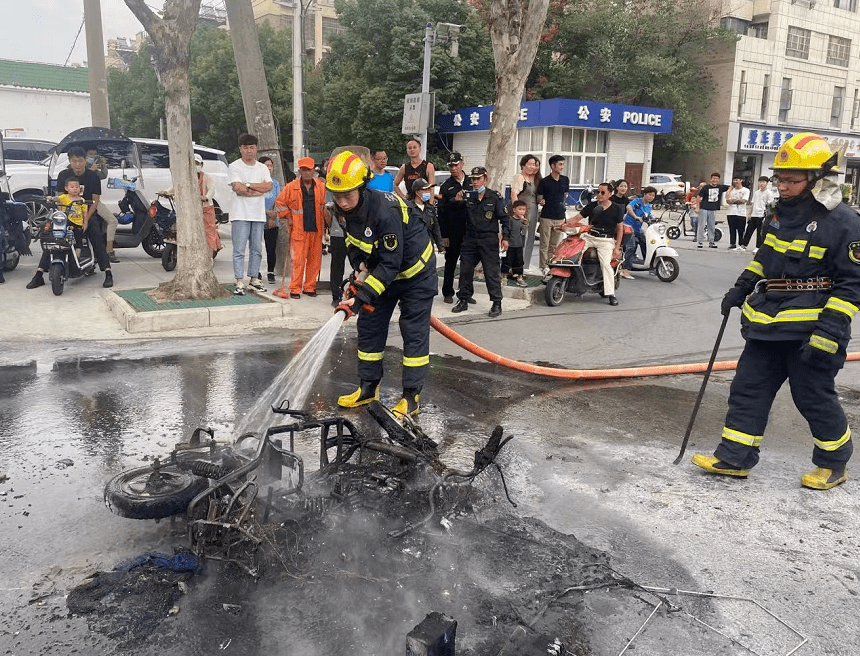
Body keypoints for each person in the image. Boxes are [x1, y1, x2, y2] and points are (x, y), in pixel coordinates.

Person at [693, 133, 860, 490]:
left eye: (791, 180)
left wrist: (829, 332)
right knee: (747, 389)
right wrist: (740, 287)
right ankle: (734, 457)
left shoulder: (844, 222)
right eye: (780, 179)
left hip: (812, 330)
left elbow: (851, 284)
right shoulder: (777, 217)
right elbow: (763, 261)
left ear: (817, 179)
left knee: (813, 397)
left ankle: (834, 463)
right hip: (767, 324)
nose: (782, 187)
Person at [326, 148, 438, 418]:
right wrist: (359, 269)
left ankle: (411, 398)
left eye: (347, 195)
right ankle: (368, 389)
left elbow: (392, 263)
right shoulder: (344, 211)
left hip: (415, 274)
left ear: (362, 187)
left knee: (412, 332)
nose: (341, 202)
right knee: (370, 327)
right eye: (336, 195)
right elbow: (353, 244)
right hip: (382, 272)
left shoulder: (385, 210)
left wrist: (361, 297)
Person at [451, 166, 510, 318]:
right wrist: (456, 201)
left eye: (478, 179)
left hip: (488, 239)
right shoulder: (467, 196)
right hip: (470, 239)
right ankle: (463, 299)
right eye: (473, 179)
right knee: (465, 270)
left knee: (491, 273)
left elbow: (504, 219)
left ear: (485, 179)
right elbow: (453, 214)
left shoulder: (494, 197)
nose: (475, 182)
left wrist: (506, 238)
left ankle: (497, 303)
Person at [51, 146, 113, 288]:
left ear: (85, 161)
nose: (77, 164)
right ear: (70, 162)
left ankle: (107, 271)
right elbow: (60, 199)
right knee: (54, 235)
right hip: (68, 215)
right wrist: (65, 216)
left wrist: (86, 219)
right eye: (74, 161)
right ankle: (40, 272)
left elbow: (95, 201)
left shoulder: (93, 177)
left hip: (87, 214)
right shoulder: (63, 175)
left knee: (96, 235)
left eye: (80, 161)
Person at [559, 182, 624, 306]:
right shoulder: (592, 206)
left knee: (605, 264)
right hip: (589, 236)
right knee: (571, 251)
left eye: (602, 192)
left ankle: (611, 294)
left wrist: (616, 247)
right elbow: (577, 218)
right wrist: (564, 223)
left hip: (606, 240)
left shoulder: (617, 208)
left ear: (610, 194)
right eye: (597, 192)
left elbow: (620, 228)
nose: (599, 194)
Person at [275, 156, 326, 299]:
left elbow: (325, 208)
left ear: (313, 170)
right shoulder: (291, 187)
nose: (306, 173)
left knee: (314, 261)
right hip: (299, 230)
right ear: (299, 171)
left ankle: (310, 287)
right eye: (303, 170)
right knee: (298, 261)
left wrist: (326, 225)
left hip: (316, 230)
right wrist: (288, 217)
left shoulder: (321, 187)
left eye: (309, 170)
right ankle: (295, 288)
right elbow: (279, 204)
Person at [228, 134, 272, 296]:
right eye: (245, 147)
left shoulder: (262, 168)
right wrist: (254, 189)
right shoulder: (234, 166)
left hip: (258, 215)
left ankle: (254, 278)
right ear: (240, 149)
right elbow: (238, 188)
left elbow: (268, 186)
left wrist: (248, 186)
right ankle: (239, 281)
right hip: (240, 214)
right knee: (239, 250)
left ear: (256, 148)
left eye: (252, 147)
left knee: (257, 249)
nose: (249, 151)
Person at [25, 177, 88, 288]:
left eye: (77, 187)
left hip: (76, 224)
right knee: (51, 239)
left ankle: (78, 249)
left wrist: (85, 222)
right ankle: (39, 273)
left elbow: (85, 212)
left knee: (77, 234)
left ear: (80, 188)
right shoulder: (64, 197)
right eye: (72, 187)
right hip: (64, 222)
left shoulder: (81, 200)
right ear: (66, 188)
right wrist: (51, 198)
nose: (75, 189)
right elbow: (57, 199)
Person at [438, 152, 469, 304]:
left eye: (456, 165)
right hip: (453, 231)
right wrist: (444, 236)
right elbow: (441, 213)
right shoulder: (446, 186)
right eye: (451, 166)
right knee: (451, 262)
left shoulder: (472, 181)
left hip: (469, 231)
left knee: (467, 263)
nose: (454, 168)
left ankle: (465, 293)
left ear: (462, 164)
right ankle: (447, 292)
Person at [536, 155, 570, 274]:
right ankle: (543, 266)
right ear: (552, 166)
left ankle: (551, 264)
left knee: (554, 244)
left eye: (563, 164)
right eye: (560, 164)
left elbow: (565, 195)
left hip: (560, 216)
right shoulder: (544, 181)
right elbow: (539, 197)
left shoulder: (565, 180)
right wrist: (541, 201)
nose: (562, 167)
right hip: (546, 216)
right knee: (544, 244)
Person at [86, 148, 119, 264]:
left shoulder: (94, 168)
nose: (92, 156)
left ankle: (106, 248)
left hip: (96, 201)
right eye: (90, 154)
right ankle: (109, 251)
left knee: (110, 221)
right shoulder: (76, 169)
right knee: (113, 221)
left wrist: (103, 166)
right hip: (85, 202)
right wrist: (90, 170)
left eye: (95, 154)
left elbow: (103, 175)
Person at [510, 154, 540, 272]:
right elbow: (514, 194)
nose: (532, 167)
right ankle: (516, 265)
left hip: (534, 209)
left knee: (531, 237)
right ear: (523, 165)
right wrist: (518, 213)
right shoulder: (519, 177)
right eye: (530, 164)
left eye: (534, 165)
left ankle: (525, 265)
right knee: (520, 237)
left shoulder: (533, 179)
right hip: (523, 210)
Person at [622, 186, 656, 279]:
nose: (651, 197)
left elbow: (648, 215)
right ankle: (625, 269)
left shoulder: (648, 206)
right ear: (645, 194)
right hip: (628, 227)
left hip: (638, 229)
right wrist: (636, 216)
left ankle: (649, 265)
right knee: (631, 246)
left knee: (646, 243)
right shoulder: (638, 201)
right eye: (649, 195)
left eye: (653, 195)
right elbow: (628, 207)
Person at [260, 156, 282, 283]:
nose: (269, 168)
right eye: (266, 165)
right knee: (256, 247)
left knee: (271, 247)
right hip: (258, 218)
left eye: (271, 166)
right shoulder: (257, 183)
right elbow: (255, 202)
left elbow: (279, 201)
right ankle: (255, 272)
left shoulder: (275, 183)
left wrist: (274, 216)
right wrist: (267, 212)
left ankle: (270, 272)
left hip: (273, 219)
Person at [409, 178, 445, 252]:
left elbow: (436, 229)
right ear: (417, 192)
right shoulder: (408, 209)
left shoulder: (430, 209)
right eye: (425, 190)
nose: (428, 192)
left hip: (428, 248)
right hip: (413, 248)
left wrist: (440, 246)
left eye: (429, 189)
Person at [741, 176, 775, 253]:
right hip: (754, 214)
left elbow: (770, 205)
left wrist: (767, 216)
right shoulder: (756, 192)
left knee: (760, 232)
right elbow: (753, 203)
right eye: (760, 182)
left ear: (767, 183)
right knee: (749, 230)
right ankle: (744, 245)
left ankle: (758, 246)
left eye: (763, 182)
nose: (761, 184)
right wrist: (749, 213)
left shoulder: (769, 193)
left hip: (762, 215)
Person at [696, 172, 729, 249]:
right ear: (711, 179)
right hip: (704, 208)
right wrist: (697, 207)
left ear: (719, 180)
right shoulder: (706, 187)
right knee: (702, 225)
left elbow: (730, 187)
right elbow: (699, 197)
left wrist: (728, 193)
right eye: (713, 178)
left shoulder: (721, 187)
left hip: (713, 209)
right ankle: (700, 241)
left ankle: (711, 241)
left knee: (711, 226)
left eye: (717, 178)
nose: (715, 180)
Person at [501, 200, 529, 287]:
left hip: (519, 245)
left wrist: (524, 224)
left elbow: (523, 232)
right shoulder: (510, 220)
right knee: (507, 261)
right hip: (510, 245)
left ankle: (519, 277)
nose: (522, 211)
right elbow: (506, 230)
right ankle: (503, 277)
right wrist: (505, 240)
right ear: (514, 210)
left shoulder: (522, 221)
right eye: (520, 209)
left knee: (519, 261)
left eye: (523, 210)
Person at [725, 175, 750, 251]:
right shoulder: (732, 190)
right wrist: (729, 192)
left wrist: (734, 200)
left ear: (741, 180)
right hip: (731, 212)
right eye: (734, 180)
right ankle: (732, 243)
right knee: (732, 229)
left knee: (741, 230)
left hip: (741, 213)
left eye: (737, 180)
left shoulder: (746, 190)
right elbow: (728, 201)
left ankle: (741, 244)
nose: (735, 182)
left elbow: (744, 200)